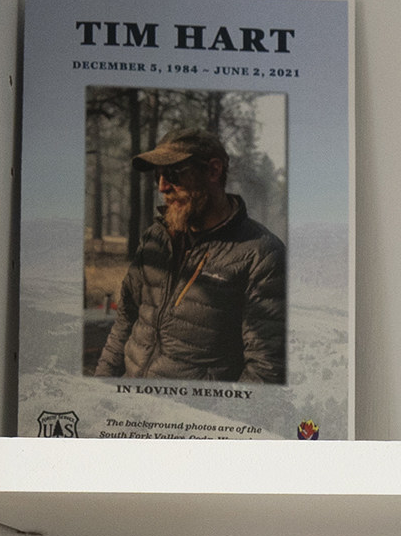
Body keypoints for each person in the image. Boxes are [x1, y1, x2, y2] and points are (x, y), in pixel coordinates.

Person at [96, 126, 285, 383]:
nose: (162, 187)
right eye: (158, 176)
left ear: (213, 171)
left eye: (173, 174)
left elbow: (264, 368)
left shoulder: (261, 255)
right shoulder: (155, 238)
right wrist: (100, 387)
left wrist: (199, 421)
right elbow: (125, 321)